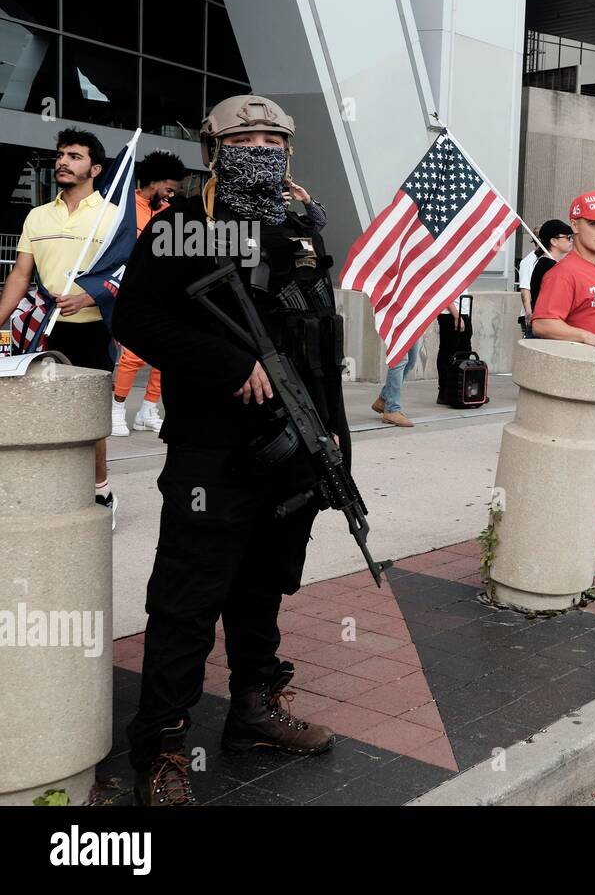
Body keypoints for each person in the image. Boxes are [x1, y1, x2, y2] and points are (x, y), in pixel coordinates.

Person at [113, 95, 345, 805]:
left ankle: (252, 709)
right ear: (216, 148)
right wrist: (227, 363)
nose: (262, 148)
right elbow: (135, 316)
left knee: (262, 589)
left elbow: (320, 340)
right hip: (212, 453)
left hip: (293, 448)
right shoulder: (185, 225)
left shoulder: (300, 224)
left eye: (274, 138)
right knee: (187, 601)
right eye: (245, 138)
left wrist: (334, 437)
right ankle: (163, 749)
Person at [0, 129, 119, 526]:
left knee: (89, 415)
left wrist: (89, 297)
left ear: (95, 168)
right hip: (42, 329)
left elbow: (126, 275)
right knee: (40, 409)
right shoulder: (37, 215)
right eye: (60, 155)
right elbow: (20, 276)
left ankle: (101, 489)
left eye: (74, 155)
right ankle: (50, 485)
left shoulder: (114, 216)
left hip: (92, 328)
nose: (63, 162)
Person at [532, 190, 595, 579]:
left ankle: (575, 542)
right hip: (578, 392)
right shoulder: (564, 273)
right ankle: (570, 544)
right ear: (574, 225)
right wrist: (586, 339)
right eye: (594, 223)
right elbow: (543, 323)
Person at [112, 151, 187, 436]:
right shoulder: (123, 206)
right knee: (133, 354)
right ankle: (117, 408)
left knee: (163, 355)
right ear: (154, 182)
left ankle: (148, 410)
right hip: (131, 290)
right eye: (168, 189)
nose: (171, 195)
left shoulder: (169, 211)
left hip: (163, 291)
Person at [527, 218, 574, 310]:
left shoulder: (547, 263)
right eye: (568, 237)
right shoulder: (548, 266)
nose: (571, 240)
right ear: (554, 241)